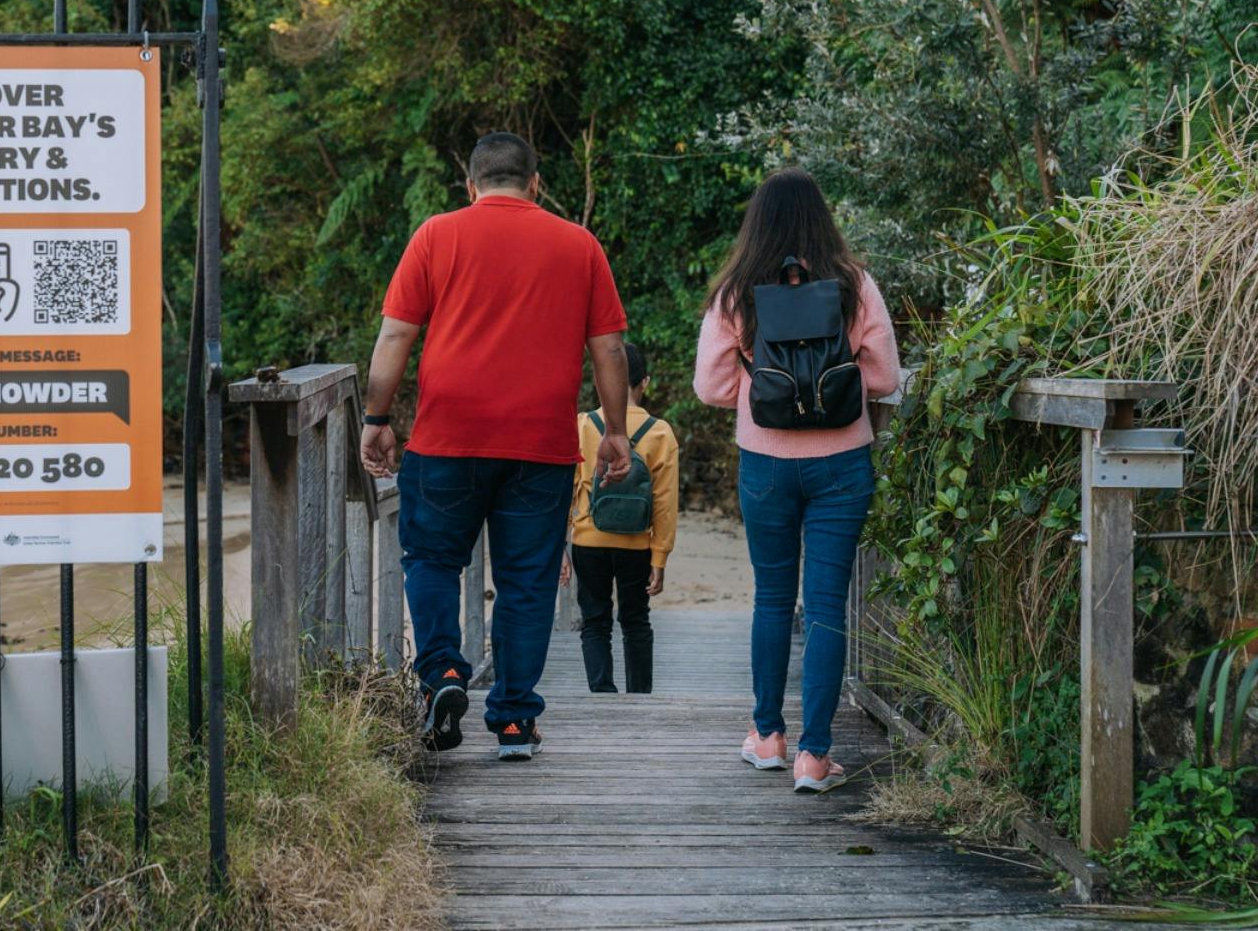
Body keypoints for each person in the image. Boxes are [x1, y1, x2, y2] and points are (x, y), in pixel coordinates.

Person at [360, 132, 632, 762]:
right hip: (540, 445)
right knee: (528, 583)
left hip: (448, 437)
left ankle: (444, 676)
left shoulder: (435, 235)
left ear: (471, 184)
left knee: (430, 560)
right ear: (535, 183)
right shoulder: (579, 244)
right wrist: (615, 431)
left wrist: (377, 416)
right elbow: (610, 348)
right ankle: (512, 720)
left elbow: (397, 333)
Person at [692, 167, 900, 793]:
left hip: (766, 465)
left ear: (758, 221)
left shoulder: (737, 291)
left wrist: (763, 390)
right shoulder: (854, 286)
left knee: (773, 599)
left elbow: (711, 386)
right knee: (828, 606)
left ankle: (767, 737)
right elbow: (886, 378)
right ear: (822, 217)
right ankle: (815, 756)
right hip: (842, 463)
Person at [561, 343, 678, 694]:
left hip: (588, 541)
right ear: (644, 383)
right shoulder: (660, 433)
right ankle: (639, 697)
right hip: (637, 543)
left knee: (595, 621)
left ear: (601, 380)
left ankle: (602, 694)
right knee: (636, 621)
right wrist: (660, 557)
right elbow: (665, 503)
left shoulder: (583, 425)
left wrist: (558, 548)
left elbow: (564, 491)